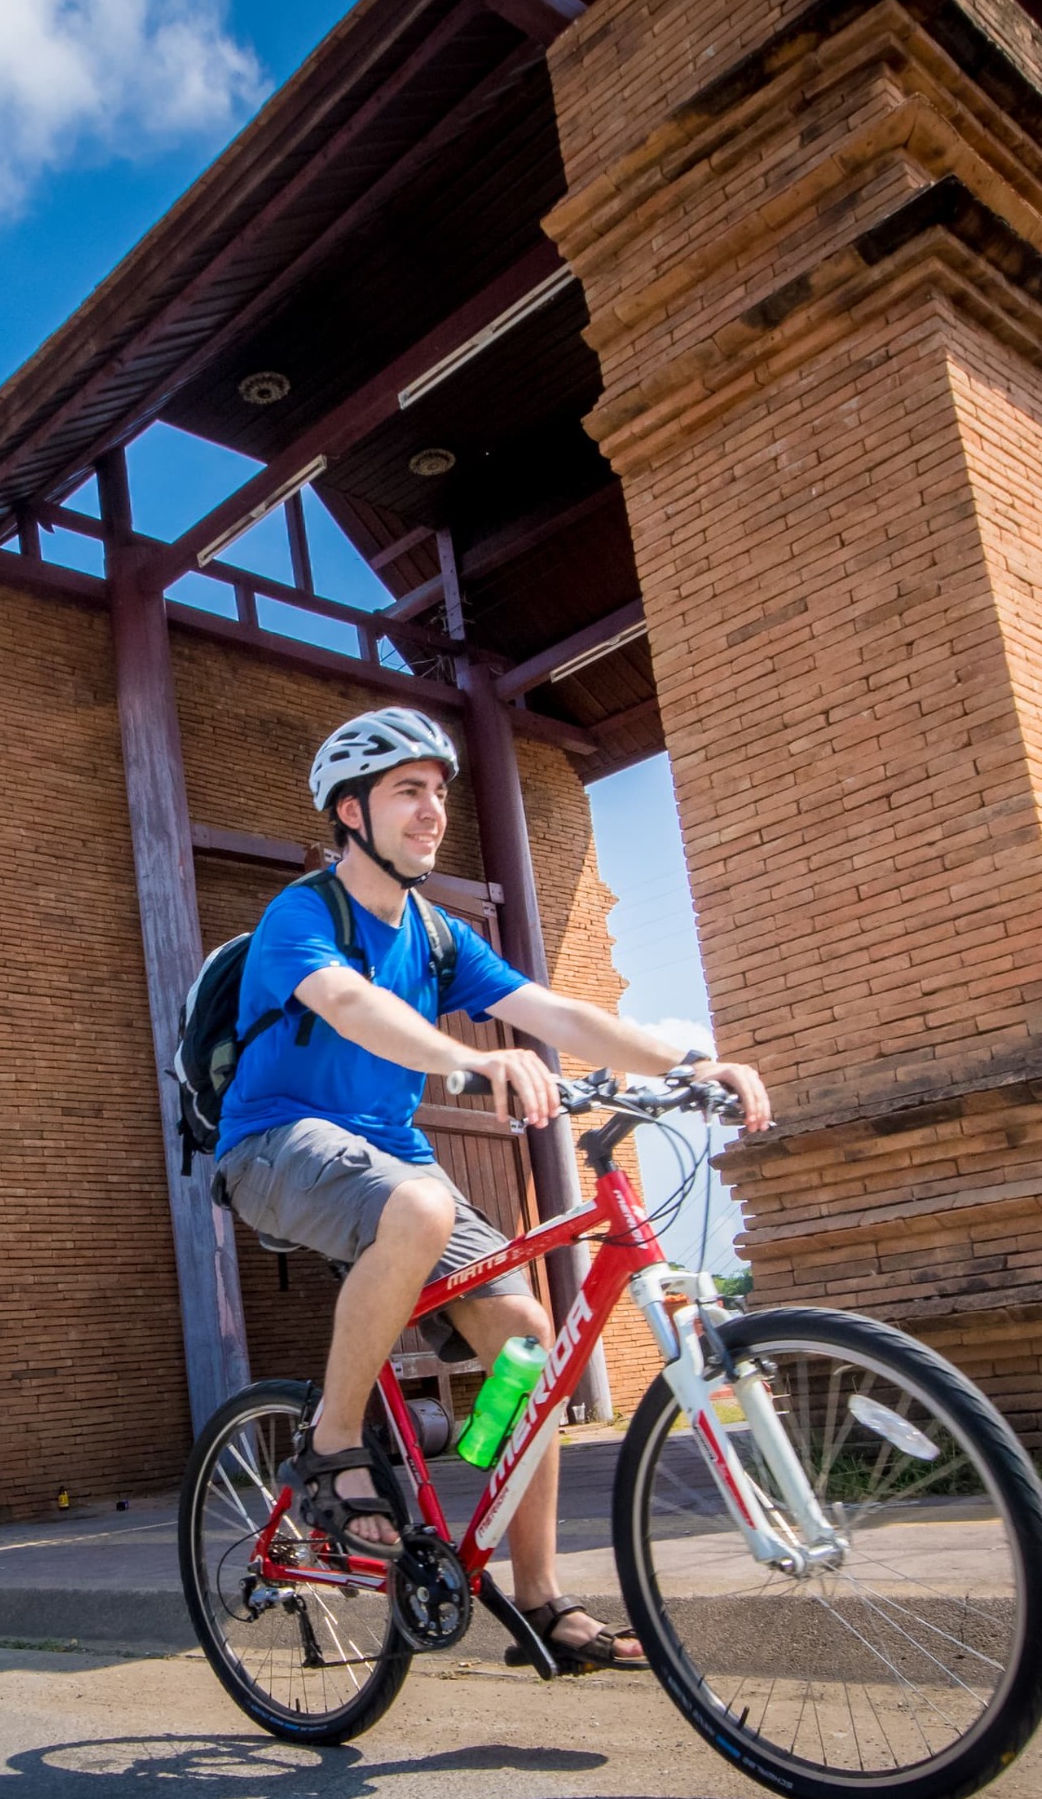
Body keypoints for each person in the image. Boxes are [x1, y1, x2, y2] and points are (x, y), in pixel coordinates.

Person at [215, 707, 772, 1671]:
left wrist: (692, 1059)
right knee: (423, 1206)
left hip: (386, 1155)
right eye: (407, 792)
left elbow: (550, 1009)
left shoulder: (434, 934)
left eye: (439, 792)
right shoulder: (303, 915)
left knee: (530, 1351)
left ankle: (542, 1600)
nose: (433, 811)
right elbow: (352, 1005)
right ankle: (330, 1450)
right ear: (351, 812)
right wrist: (464, 1061)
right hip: (274, 1146)